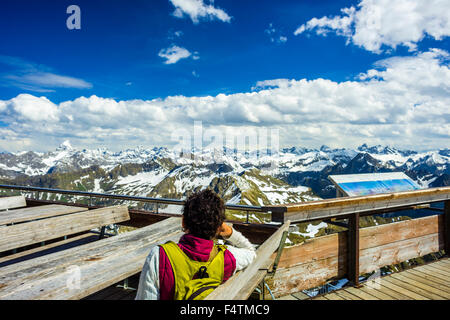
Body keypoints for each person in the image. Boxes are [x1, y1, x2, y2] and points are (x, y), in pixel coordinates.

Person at [135, 189, 256, 300]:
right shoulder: (228, 258)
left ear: (183, 222)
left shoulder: (159, 256)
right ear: (219, 227)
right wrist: (230, 233)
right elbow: (251, 252)